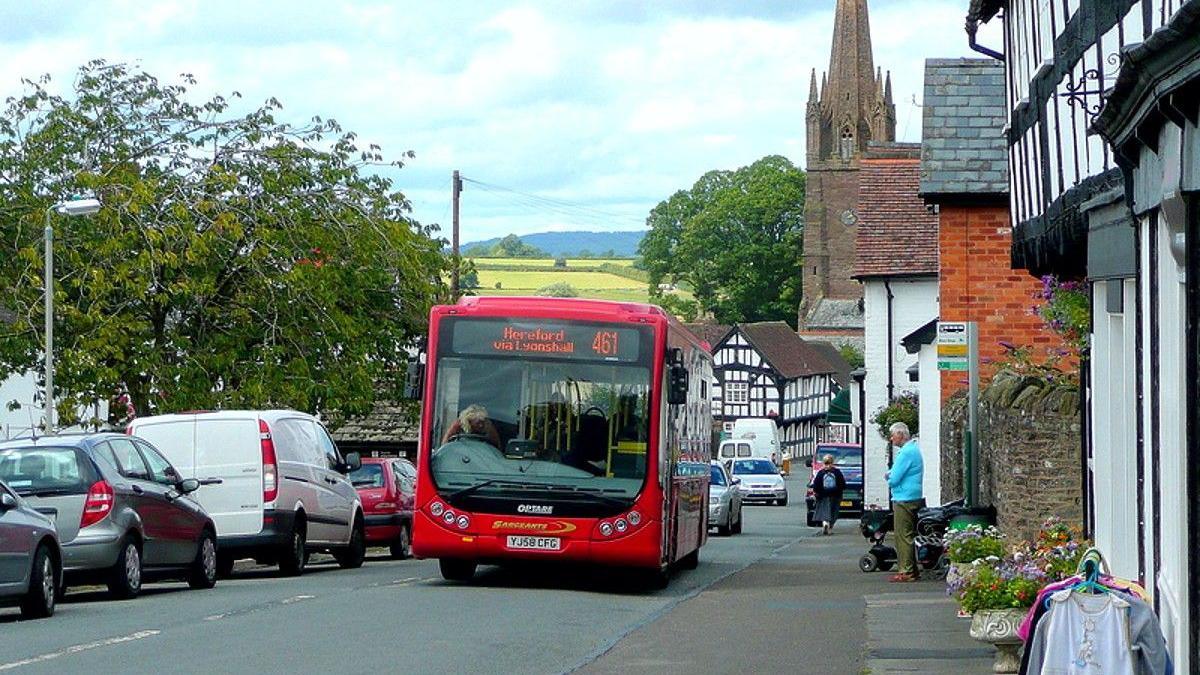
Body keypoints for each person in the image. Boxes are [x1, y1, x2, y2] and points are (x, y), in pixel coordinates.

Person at [885, 421, 924, 582]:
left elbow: (894, 478)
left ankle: (906, 571)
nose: (891, 439)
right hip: (913, 495)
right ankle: (911, 569)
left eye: (893, 435)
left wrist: (889, 477)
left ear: (900, 435)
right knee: (908, 534)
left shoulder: (906, 452)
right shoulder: (914, 450)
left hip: (904, 498)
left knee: (903, 535)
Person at [810, 454, 846, 535]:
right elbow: (843, 485)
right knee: (834, 512)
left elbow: (816, 485)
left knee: (824, 512)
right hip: (836, 496)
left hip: (823, 496)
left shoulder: (821, 473)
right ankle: (830, 528)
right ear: (832, 463)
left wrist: (817, 493)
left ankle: (825, 523)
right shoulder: (837, 472)